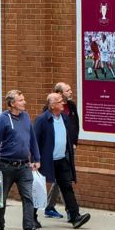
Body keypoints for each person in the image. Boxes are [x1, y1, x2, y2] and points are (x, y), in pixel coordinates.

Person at [0, 90, 43, 230]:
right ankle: (0, 228)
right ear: (12, 104)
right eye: (20, 100)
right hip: (6, 166)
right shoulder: (4, 119)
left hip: (24, 166)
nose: (24, 102)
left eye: (23, 99)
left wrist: (36, 158)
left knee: (28, 198)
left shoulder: (26, 117)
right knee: (1, 199)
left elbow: (32, 140)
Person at [34, 93, 91, 230]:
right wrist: (35, 160)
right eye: (60, 102)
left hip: (61, 159)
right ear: (52, 105)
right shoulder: (42, 120)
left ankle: (75, 216)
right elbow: (34, 141)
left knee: (67, 187)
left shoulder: (64, 118)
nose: (62, 104)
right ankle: (32, 217)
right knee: (38, 188)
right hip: (46, 160)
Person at [42, 83, 80, 219]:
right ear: (59, 93)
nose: (71, 92)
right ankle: (70, 211)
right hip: (53, 153)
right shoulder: (46, 114)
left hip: (67, 149)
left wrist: (74, 142)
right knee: (64, 180)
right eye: (67, 90)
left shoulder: (70, 107)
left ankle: (56, 208)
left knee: (64, 180)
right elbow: (43, 134)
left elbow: (75, 124)